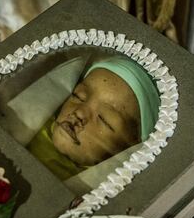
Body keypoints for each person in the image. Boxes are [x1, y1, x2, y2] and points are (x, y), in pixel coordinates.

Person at [26, 56, 160, 180]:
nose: (79, 113)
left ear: (129, 149)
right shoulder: (22, 118)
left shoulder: (103, 193)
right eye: (78, 96)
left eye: (104, 119)